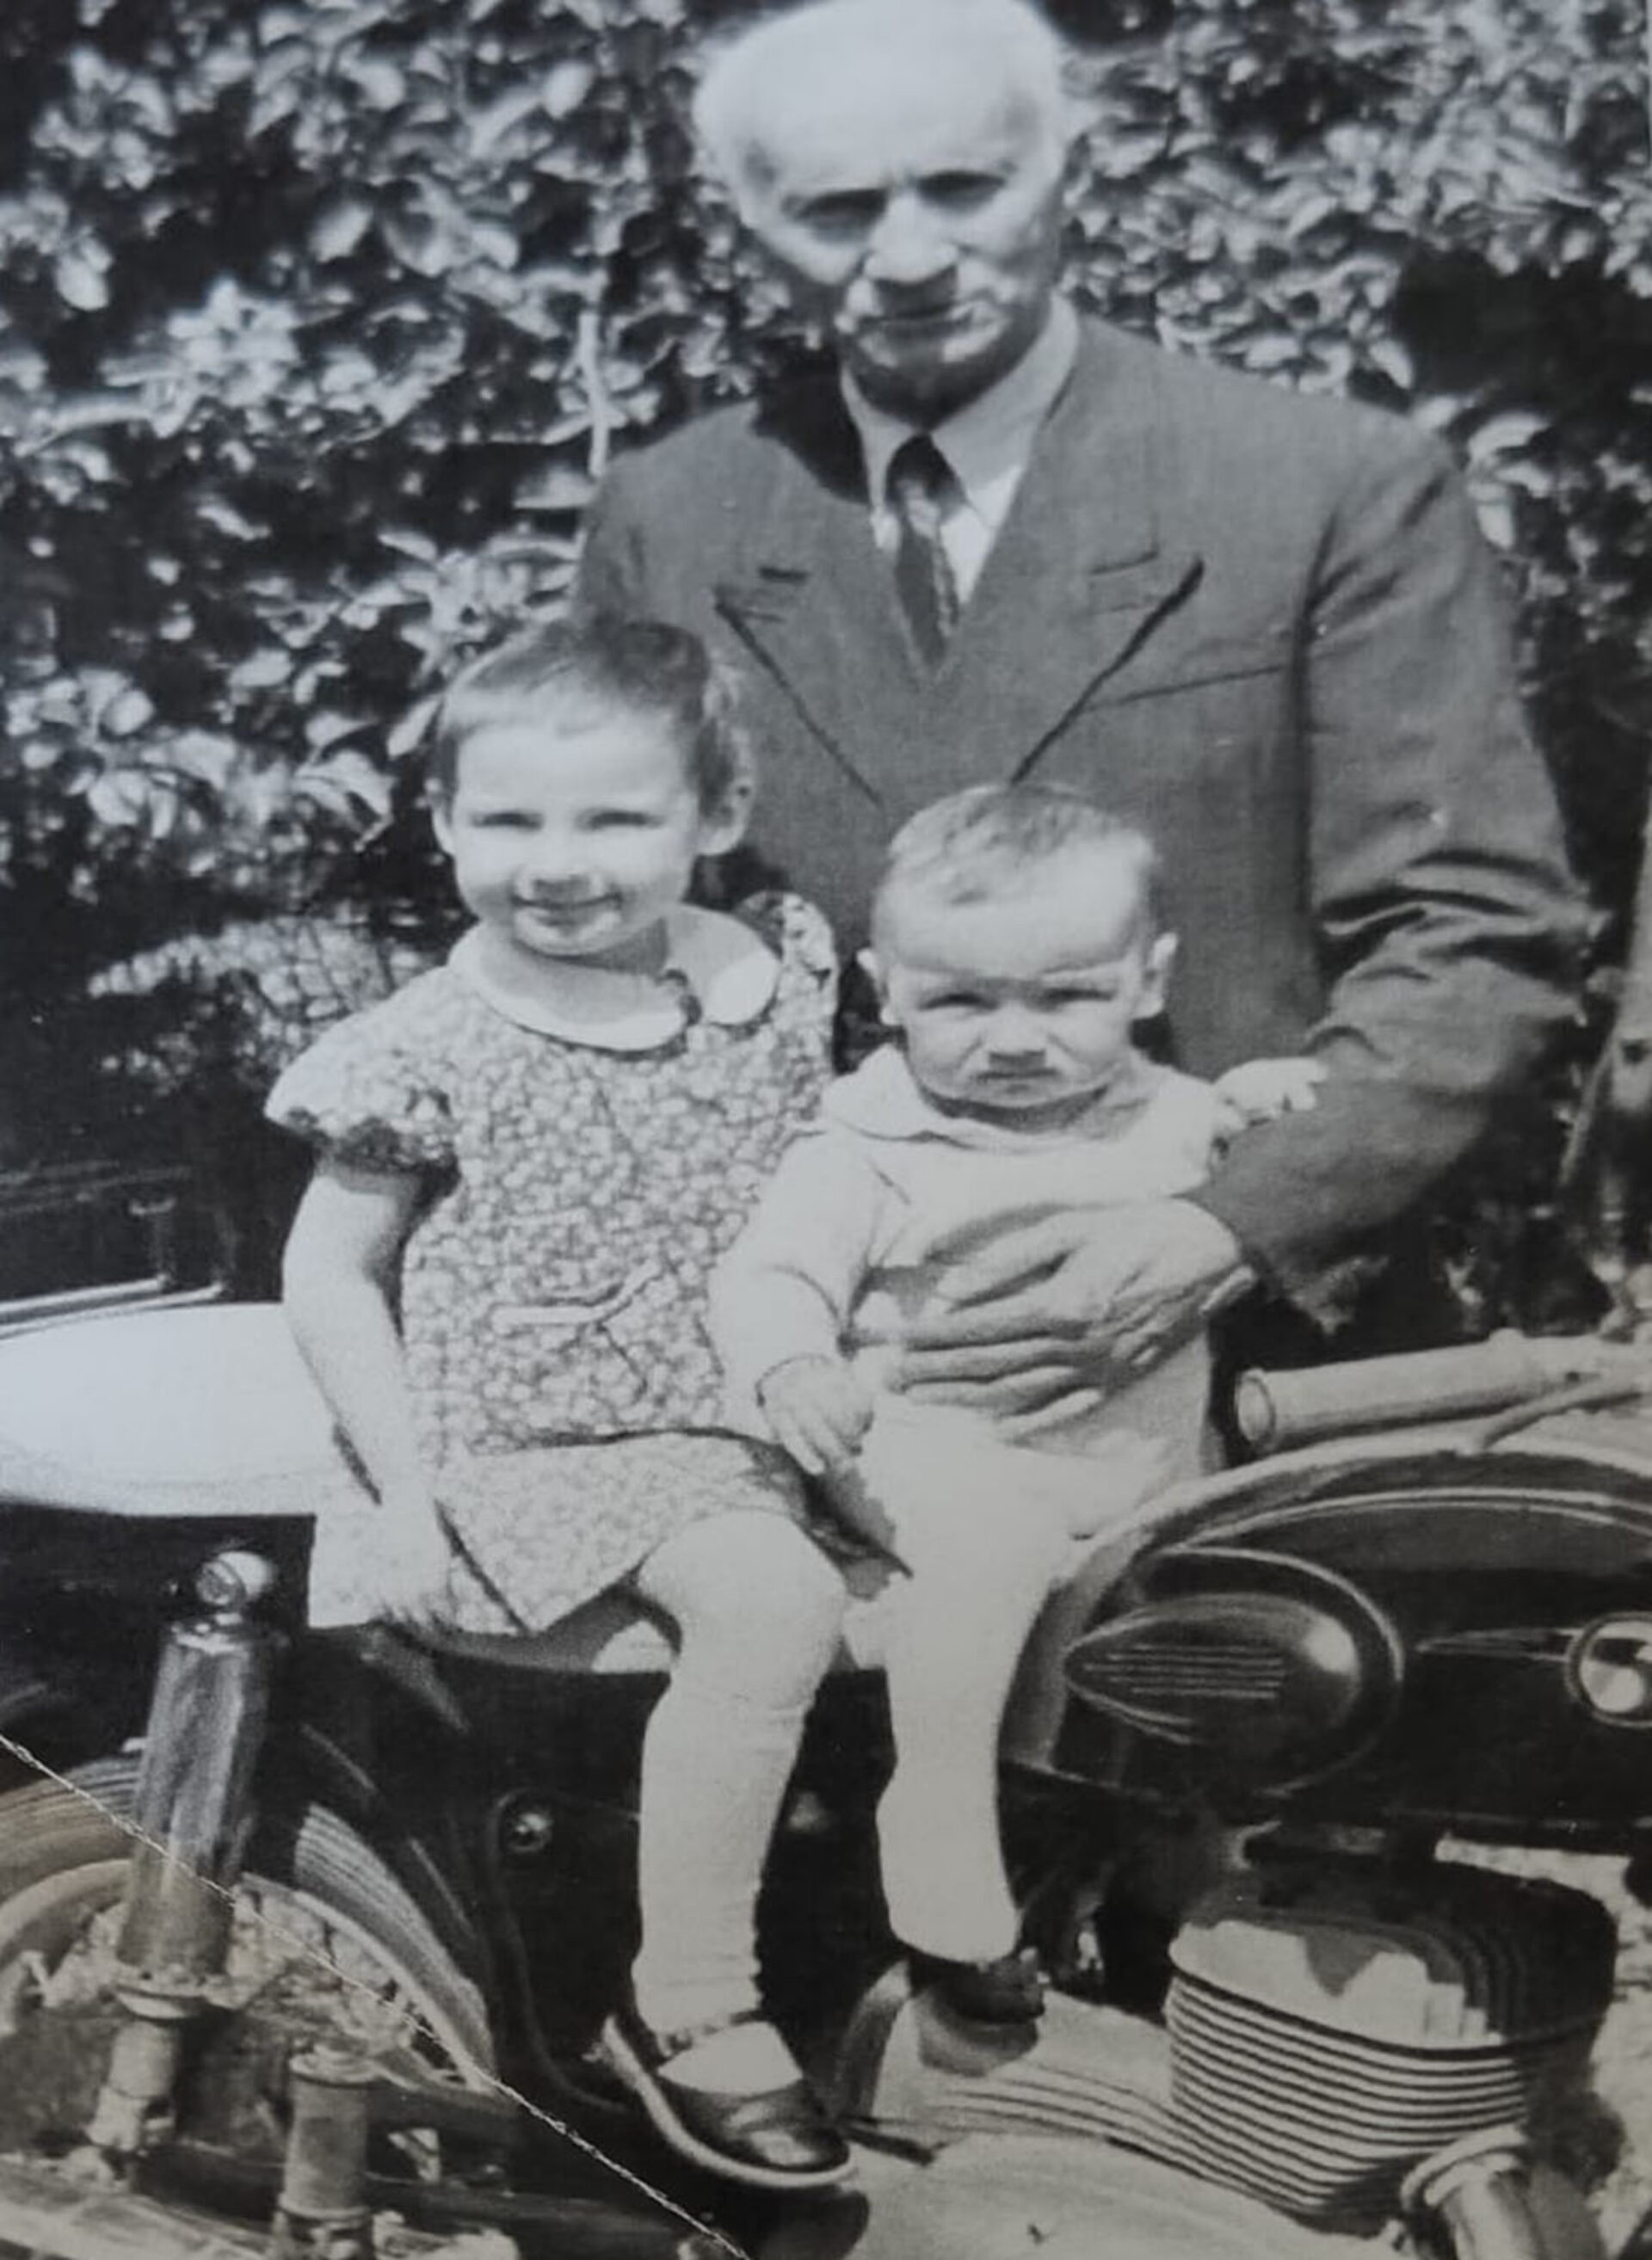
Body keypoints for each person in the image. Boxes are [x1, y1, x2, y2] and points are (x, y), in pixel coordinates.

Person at [576, 0, 1585, 1433]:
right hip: (807, 1378)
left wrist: (1225, 1228)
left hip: (1250, 1367)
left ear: (1064, 174)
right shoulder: (675, 515)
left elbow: (1472, 929)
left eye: (962, 186)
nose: (908, 254)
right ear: (752, 230)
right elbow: (614, 938)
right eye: (838, 209)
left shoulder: (1324, 485)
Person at [267, 615, 851, 2190]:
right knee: (778, 1603)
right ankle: (694, 2003)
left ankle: (993, 1949)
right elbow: (330, 1275)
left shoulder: (764, 985)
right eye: (510, 819)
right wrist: (404, 1490)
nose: (558, 863)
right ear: (446, 822)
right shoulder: (433, 1041)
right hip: (523, 1443)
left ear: (716, 816)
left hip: (738, 1415)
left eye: (614, 818)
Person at [710, 785, 1319, 2021]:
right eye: (961, 1002)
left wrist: (1262, 1105)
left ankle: (1180, 1899)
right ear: (886, 990)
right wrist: (792, 1363)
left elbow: (1235, 1158)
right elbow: (768, 1274)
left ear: (1148, 982)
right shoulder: (869, 1143)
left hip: (1140, 1468)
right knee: (984, 1552)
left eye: (1066, 998)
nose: (1015, 1040)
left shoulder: (1170, 1112)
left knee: (1212, 1618)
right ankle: (938, 1809)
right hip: (933, 1448)